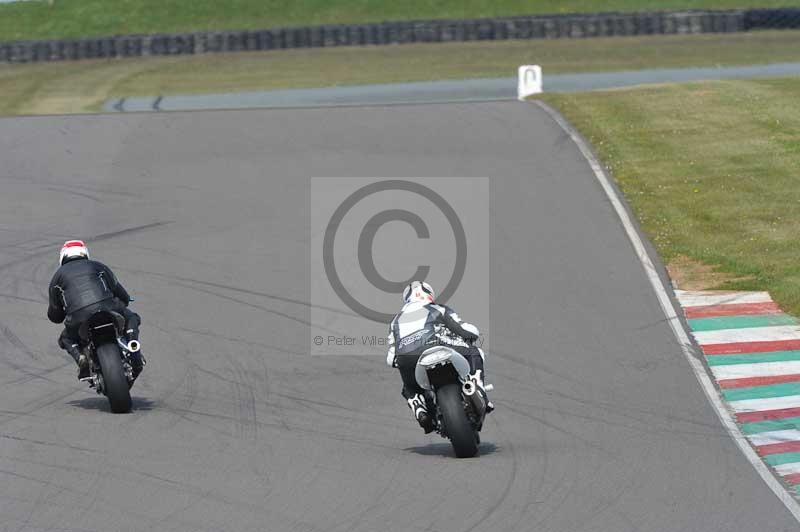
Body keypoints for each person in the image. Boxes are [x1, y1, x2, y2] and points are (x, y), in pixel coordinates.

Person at [386, 280, 492, 433]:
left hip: (407, 356)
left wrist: (400, 361)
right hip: (436, 344)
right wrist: (471, 336)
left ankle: (419, 407)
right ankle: (477, 387)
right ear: (429, 294)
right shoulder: (437, 308)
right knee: (474, 352)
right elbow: (466, 330)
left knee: (409, 387)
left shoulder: (395, 321)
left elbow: (390, 358)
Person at [47, 240, 143, 381]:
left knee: (65, 338)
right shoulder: (98, 266)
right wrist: (126, 299)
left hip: (78, 317)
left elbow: (55, 316)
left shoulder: (56, 279)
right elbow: (117, 289)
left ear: (62, 257)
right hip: (108, 307)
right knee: (132, 317)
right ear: (85, 253)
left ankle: (80, 357)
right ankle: (132, 344)